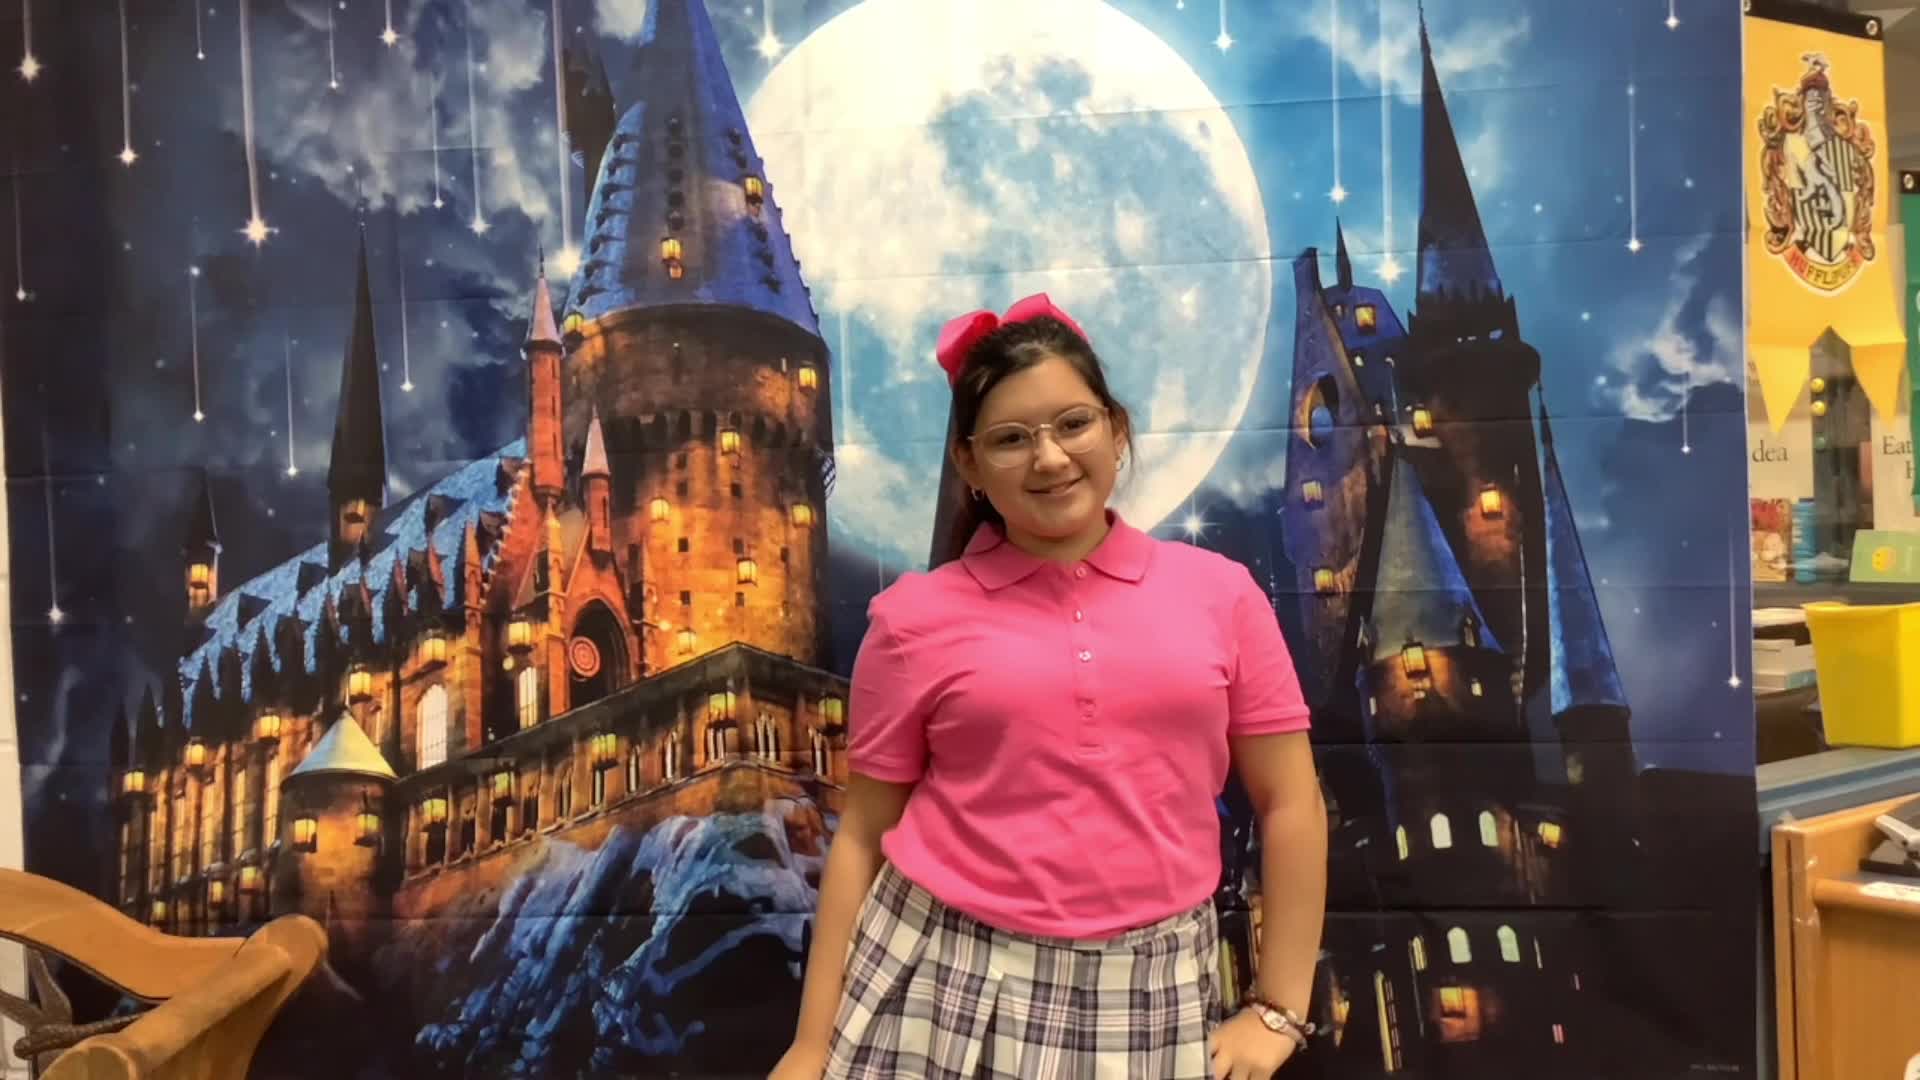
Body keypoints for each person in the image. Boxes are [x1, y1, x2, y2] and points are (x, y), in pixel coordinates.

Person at [770, 294, 1327, 1080]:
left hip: (1152, 992)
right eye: (1011, 438)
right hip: (940, 982)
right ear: (968, 463)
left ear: (1117, 428)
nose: (1051, 458)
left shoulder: (1221, 594)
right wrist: (811, 1046)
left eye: (1074, 423)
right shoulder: (912, 621)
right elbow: (862, 834)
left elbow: (1291, 801)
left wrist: (1279, 1009)